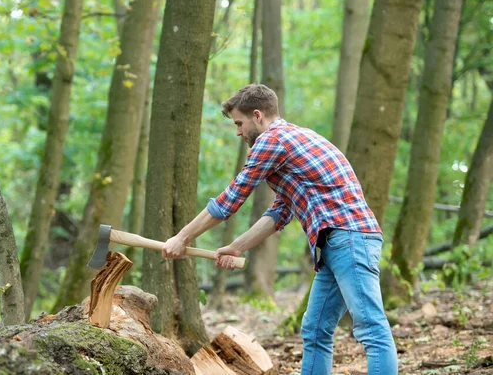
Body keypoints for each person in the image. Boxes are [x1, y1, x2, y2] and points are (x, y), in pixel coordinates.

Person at [161, 84, 398, 375]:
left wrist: (182, 237)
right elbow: (280, 212)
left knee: (371, 327)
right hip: (336, 242)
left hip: (349, 238)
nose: (238, 132)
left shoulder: (272, 141)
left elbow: (229, 201)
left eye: (239, 123)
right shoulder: (294, 139)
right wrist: (238, 246)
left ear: (257, 115)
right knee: (315, 329)